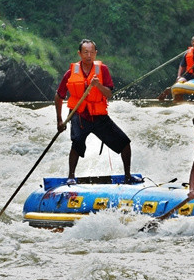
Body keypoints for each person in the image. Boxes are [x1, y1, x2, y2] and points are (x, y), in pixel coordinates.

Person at [54, 39, 142, 184]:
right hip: (80, 115)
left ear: (96, 53)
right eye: (85, 52)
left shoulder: (103, 70)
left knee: (125, 143)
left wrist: (97, 85)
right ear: (79, 53)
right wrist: (59, 120)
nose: (89, 56)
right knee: (76, 144)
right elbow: (59, 95)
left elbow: (108, 94)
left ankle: (128, 176)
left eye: (91, 52)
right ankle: (71, 177)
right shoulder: (71, 72)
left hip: (99, 116)